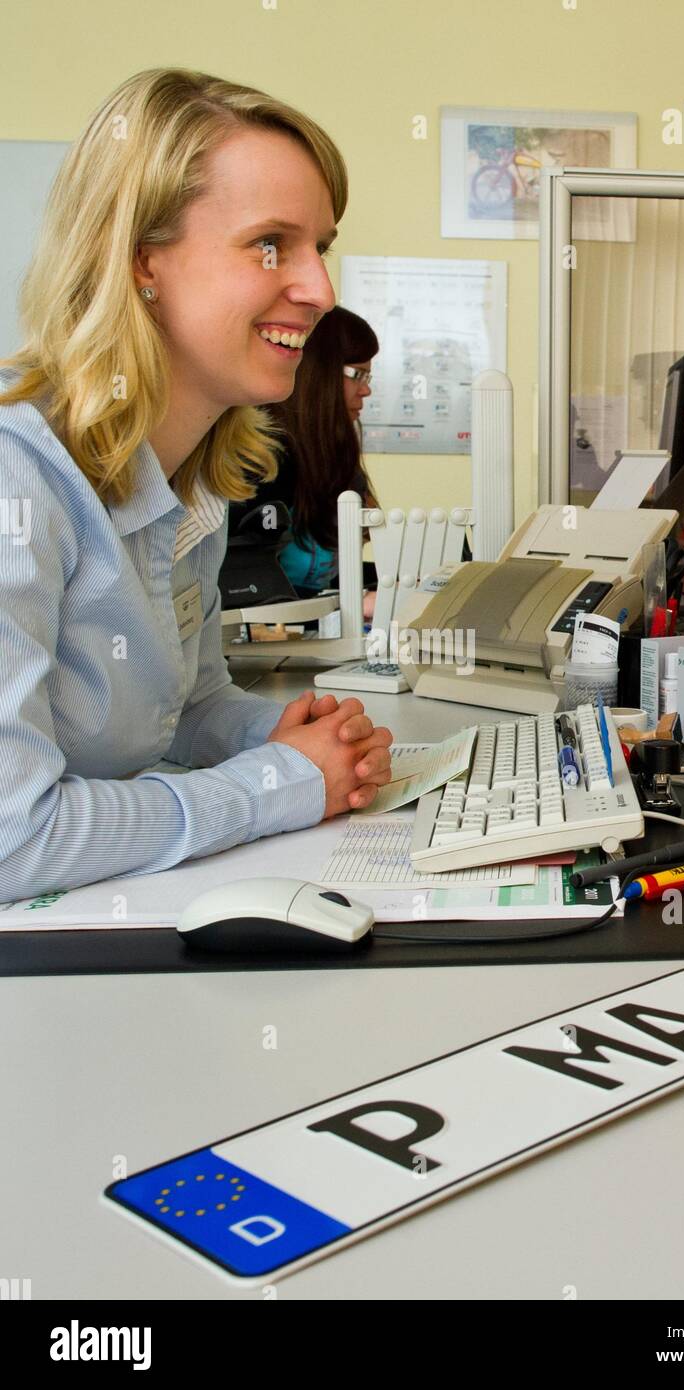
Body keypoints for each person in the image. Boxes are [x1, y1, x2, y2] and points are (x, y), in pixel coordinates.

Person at [0, 68, 392, 904]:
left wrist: (285, 734)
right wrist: (282, 785)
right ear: (142, 261)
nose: (320, 290)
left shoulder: (193, 482)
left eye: (319, 247)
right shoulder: (17, 479)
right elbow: (12, 836)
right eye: (269, 245)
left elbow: (180, 707)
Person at [222, 305, 380, 617]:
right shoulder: (265, 459)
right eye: (358, 374)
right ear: (319, 372)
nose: (367, 390)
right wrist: (347, 605)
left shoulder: (333, 456)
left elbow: (328, 577)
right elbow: (242, 584)